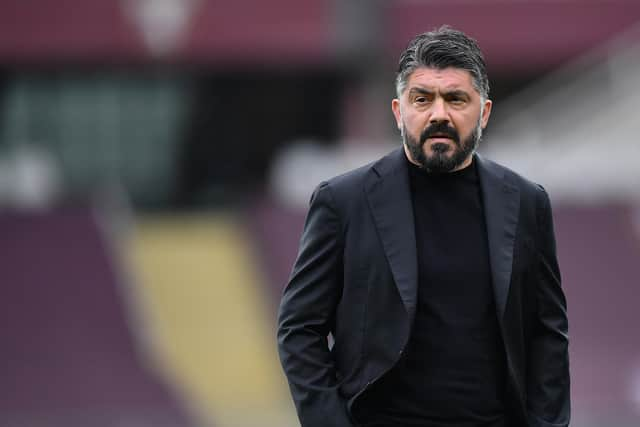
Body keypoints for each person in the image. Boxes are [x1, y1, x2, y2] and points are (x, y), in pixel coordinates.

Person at [277, 26, 570, 427]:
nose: (439, 114)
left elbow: (547, 332)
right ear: (399, 111)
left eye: (455, 99)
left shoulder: (527, 202)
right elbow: (299, 329)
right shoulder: (342, 202)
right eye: (422, 99)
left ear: (483, 112)